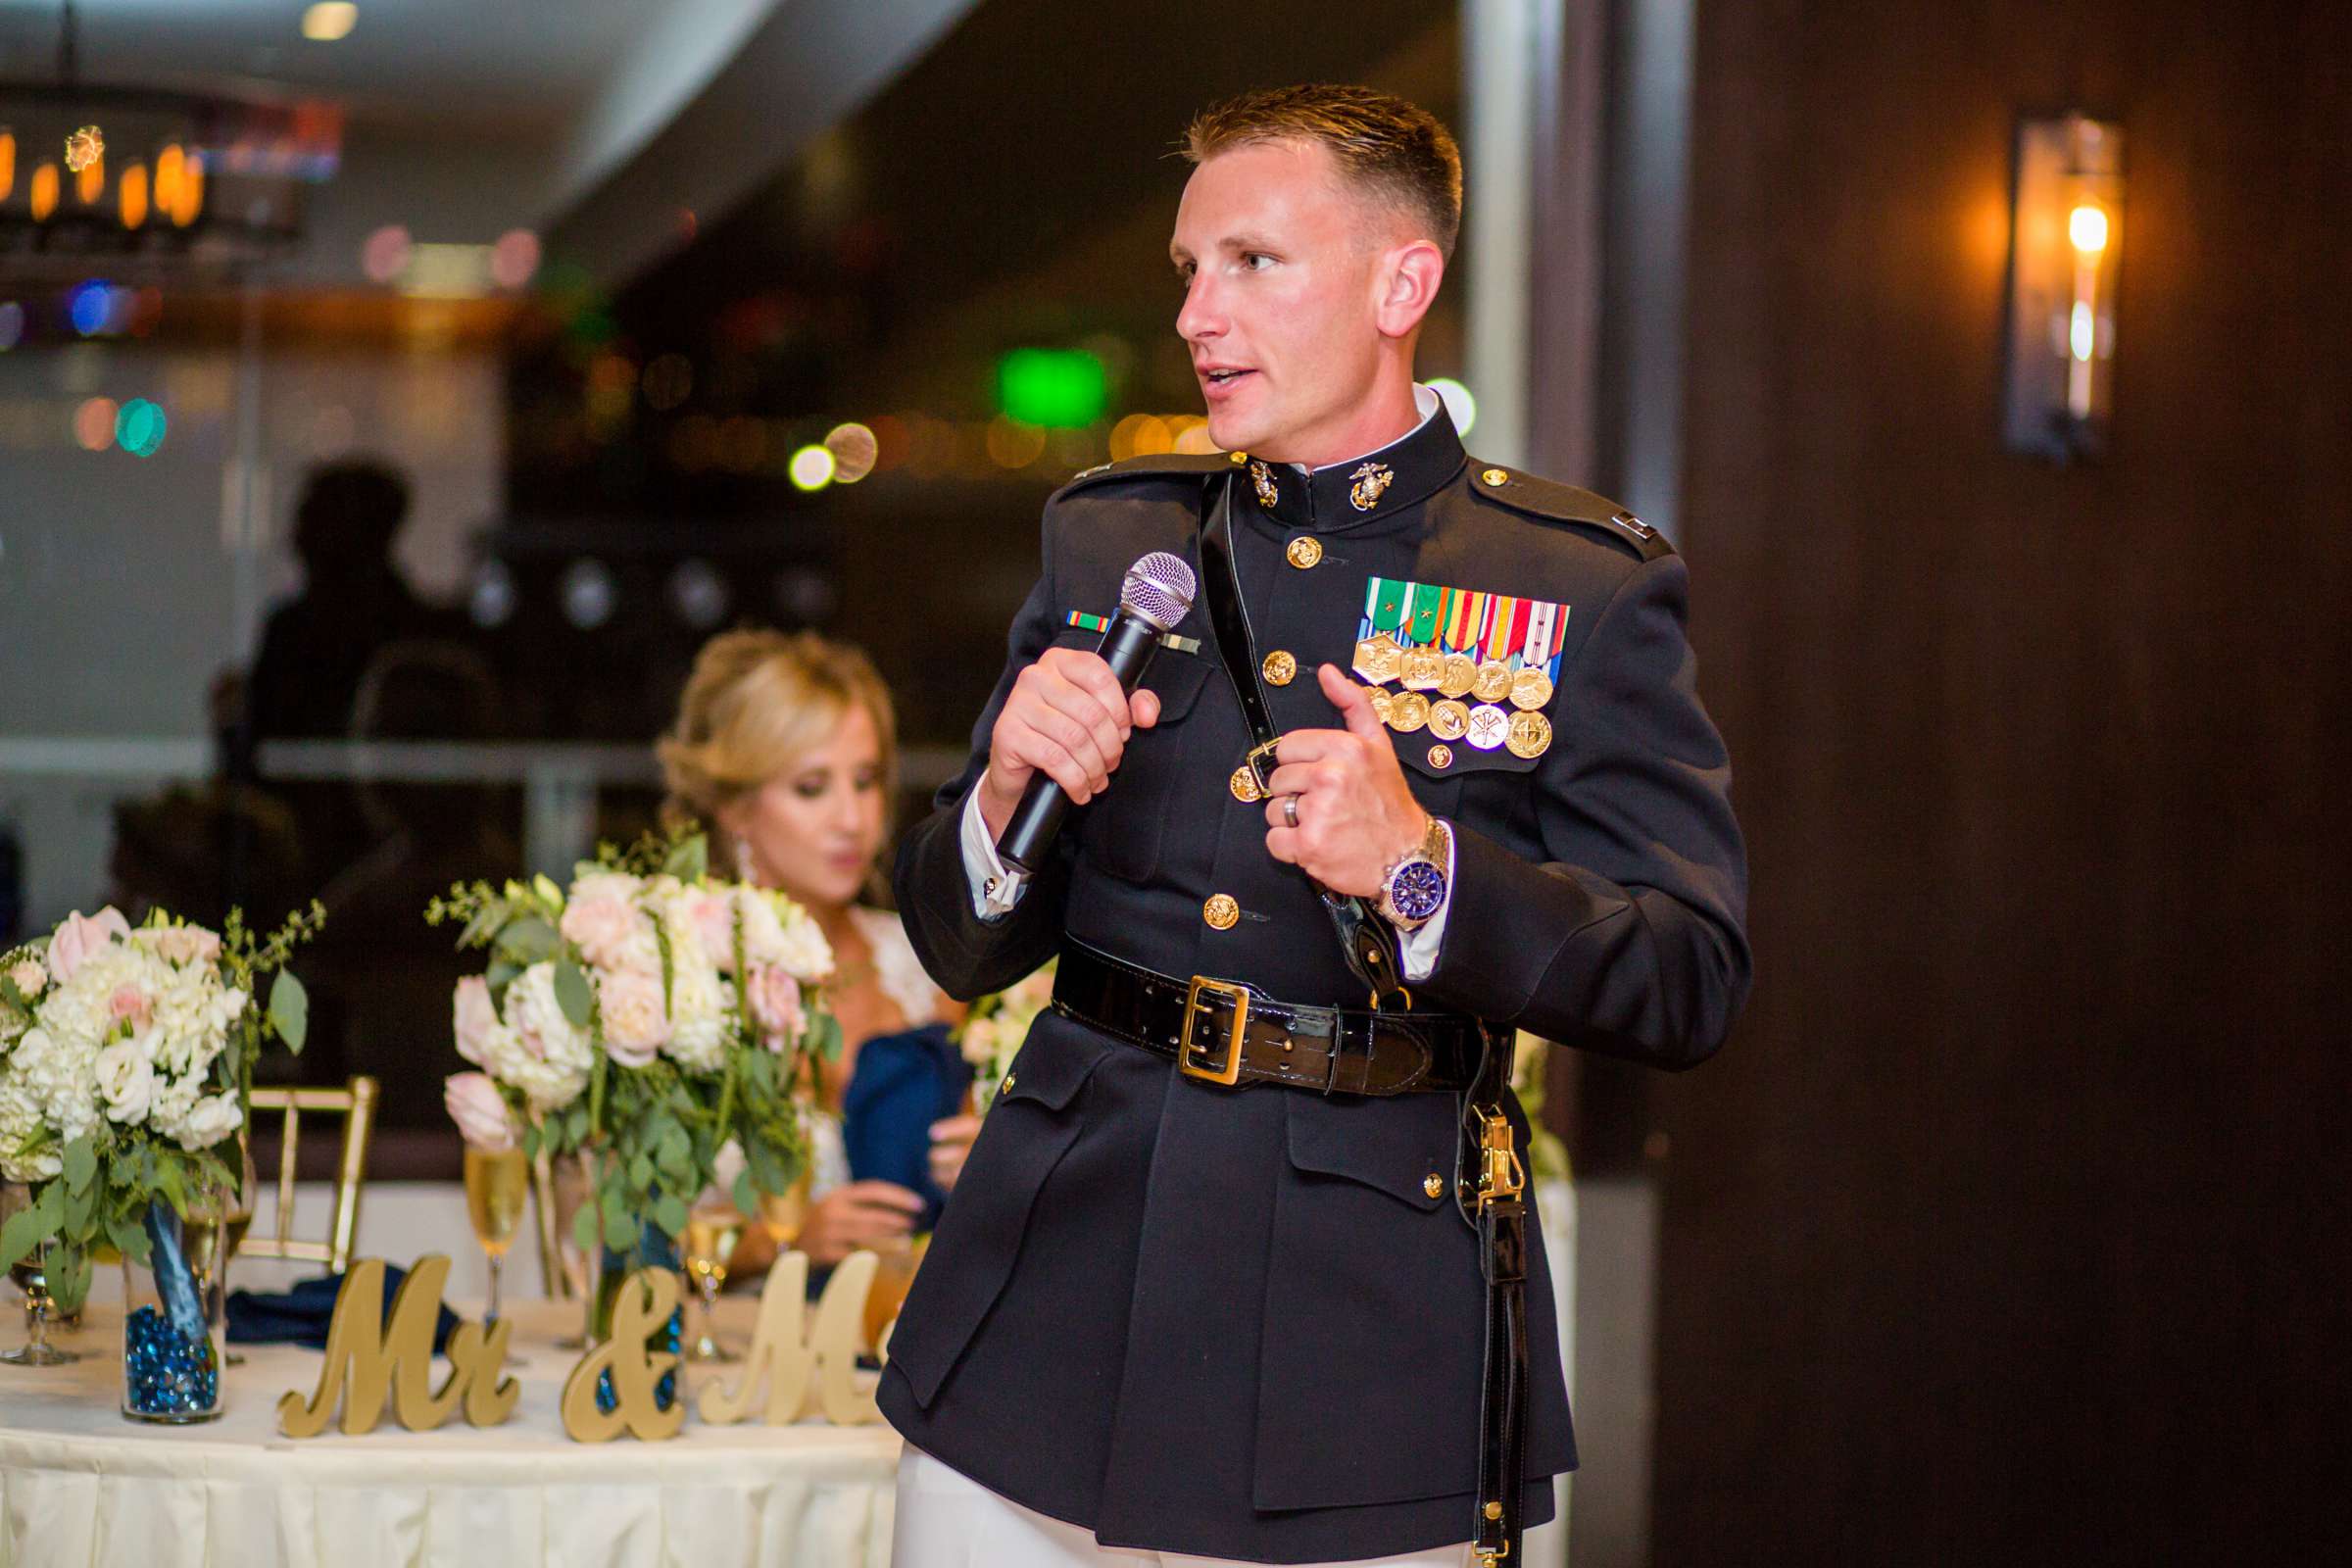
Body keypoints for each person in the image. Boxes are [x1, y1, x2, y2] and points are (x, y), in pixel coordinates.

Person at [883, 85, 1750, 1567]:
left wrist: (1426, 867)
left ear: (1399, 284)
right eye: (1188, 271)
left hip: (1354, 1340)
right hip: (1048, 1289)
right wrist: (1005, 800)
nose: (1198, 318)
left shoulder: (1575, 586)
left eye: (1252, 264)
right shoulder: (1113, 535)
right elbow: (962, 944)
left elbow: (1690, 976)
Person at [658, 630, 976, 1269]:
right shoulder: (666, 978)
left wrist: (987, 1173)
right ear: (734, 807)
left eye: (864, 781)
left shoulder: (921, 966)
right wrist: (780, 1244)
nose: (852, 819)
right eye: (811, 787)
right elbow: (624, 1241)